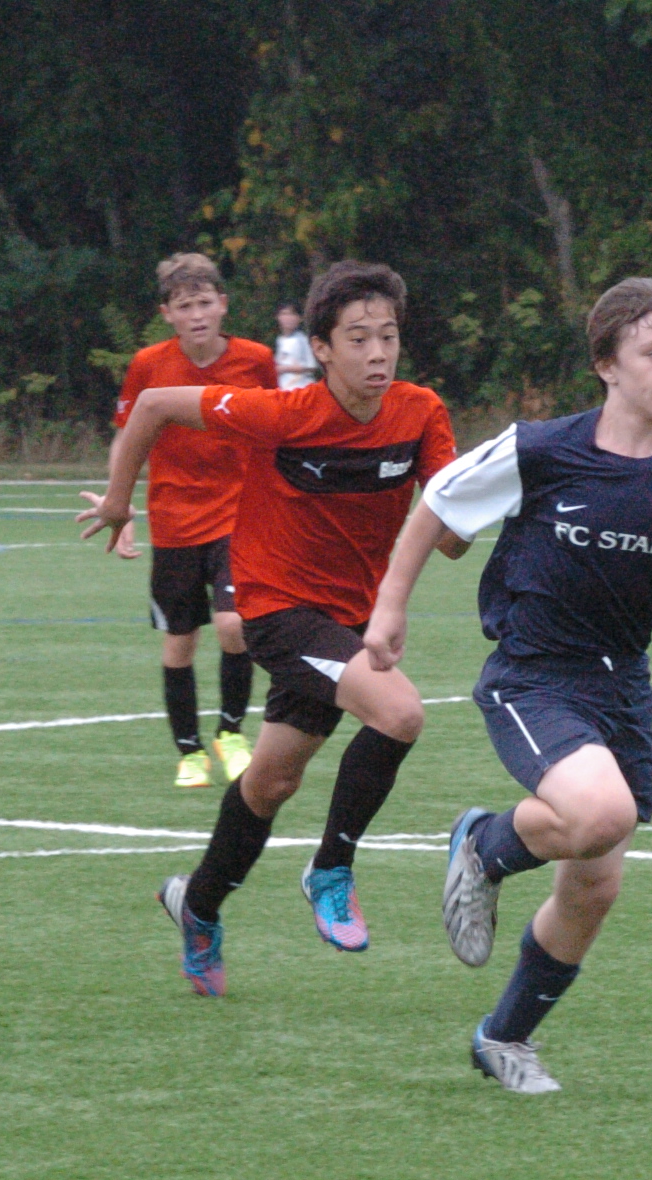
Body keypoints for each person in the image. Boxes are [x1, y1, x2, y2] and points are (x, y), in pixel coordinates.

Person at [364, 277, 652, 1095]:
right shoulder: (541, 449)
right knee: (599, 814)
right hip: (533, 675)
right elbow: (437, 505)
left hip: (621, 689)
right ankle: (484, 846)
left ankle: (504, 1038)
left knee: (595, 887)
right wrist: (390, 607)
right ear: (607, 364)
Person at [80, 262, 454, 996]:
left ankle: (197, 904)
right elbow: (151, 404)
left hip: (346, 622)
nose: (378, 353)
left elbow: (453, 538)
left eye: (388, 336)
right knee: (401, 712)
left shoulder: (419, 413)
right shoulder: (280, 415)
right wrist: (122, 503)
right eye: (358, 339)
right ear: (322, 349)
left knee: (271, 781)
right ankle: (331, 868)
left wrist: (487, 498)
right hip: (276, 612)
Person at [95, 253, 274, 788]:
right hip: (174, 521)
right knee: (180, 640)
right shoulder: (149, 365)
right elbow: (127, 439)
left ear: (223, 305)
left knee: (234, 625)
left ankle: (231, 733)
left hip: (239, 516)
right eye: (184, 306)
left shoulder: (256, 360)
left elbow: (277, 428)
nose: (196, 315)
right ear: (167, 314)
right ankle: (190, 751)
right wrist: (119, 505)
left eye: (204, 303)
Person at [273, 300, 318, 391]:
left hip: (301, 388)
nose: (288, 318)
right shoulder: (280, 340)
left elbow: (311, 366)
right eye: (284, 314)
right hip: (284, 389)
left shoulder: (303, 340)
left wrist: (285, 368)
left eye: (292, 314)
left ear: (299, 318)